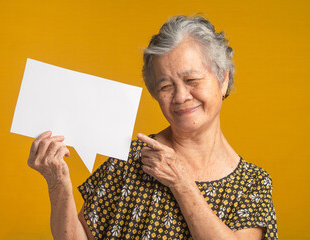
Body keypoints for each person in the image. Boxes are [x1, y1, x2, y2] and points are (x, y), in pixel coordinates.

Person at [27, 15, 277, 240]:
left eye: (191, 80)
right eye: (166, 86)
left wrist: (182, 183)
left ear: (223, 80)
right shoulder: (128, 160)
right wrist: (57, 182)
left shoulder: (253, 184)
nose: (180, 96)